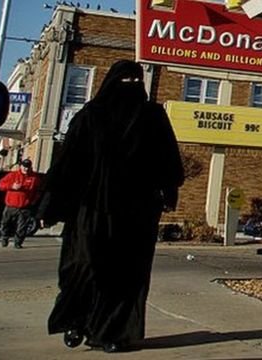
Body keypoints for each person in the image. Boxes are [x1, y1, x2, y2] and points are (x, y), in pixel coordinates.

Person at [36, 60, 184, 353]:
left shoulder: (151, 116)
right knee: (86, 266)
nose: (130, 87)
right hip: (94, 208)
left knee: (123, 273)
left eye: (135, 81)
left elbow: (166, 160)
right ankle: (77, 320)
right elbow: (69, 164)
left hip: (133, 211)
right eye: (125, 80)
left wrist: (168, 193)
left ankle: (112, 333)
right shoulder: (91, 116)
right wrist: (50, 207)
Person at [0, 158, 42, 249]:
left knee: (22, 226)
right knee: (5, 223)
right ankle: (4, 238)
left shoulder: (34, 178)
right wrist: (11, 186)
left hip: (25, 207)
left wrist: (33, 201)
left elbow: (38, 191)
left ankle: (18, 242)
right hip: (11, 206)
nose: (26, 169)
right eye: (24, 166)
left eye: (28, 167)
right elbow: (1, 185)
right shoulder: (12, 175)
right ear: (21, 166)